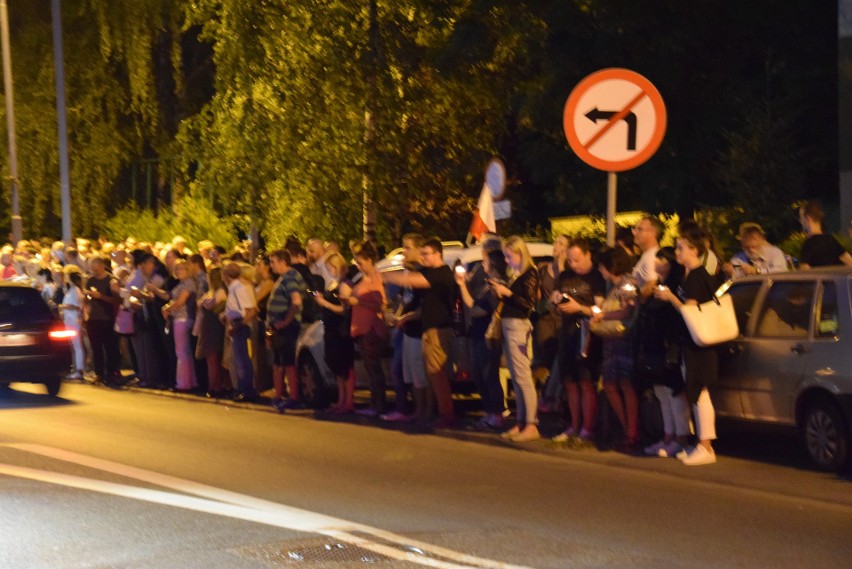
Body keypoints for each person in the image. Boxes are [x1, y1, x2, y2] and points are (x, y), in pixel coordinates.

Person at [654, 223, 721, 466]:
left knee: (700, 393)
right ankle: (699, 444)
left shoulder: (697, 277)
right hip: (691, 343)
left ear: (694, 250)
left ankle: (706, 446)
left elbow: (690, 313)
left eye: (681, 246)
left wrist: (671, 297)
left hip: (699, 344)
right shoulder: (691, 276)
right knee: (695, 394)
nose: (677, 250)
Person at [382, 237, 456, 428]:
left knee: (437, 374)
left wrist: (387, 276)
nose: (423, 257)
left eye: (426, 254)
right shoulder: (431, 272)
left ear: (438, 254)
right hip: (429, 330)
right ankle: (436, 412)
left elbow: (413, 280)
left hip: (438, 330)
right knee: (431, 374)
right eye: (421, 253)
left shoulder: (440, 274)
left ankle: (446, 415)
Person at [637, 247, 691, 458]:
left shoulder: (676, 287)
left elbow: (680, 313)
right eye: (656, 261)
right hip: (653, 345)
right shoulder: (657, 287)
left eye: (663, 261)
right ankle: (668, 435)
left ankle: (681, 437)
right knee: (661, 392)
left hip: (670, 345)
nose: (658, 265)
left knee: (674, 392)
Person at [551, 237, 606, 443]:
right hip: (566, 332)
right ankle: (573, 425)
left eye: (577, 260)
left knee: (586, 381)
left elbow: (600, 309)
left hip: (587, 334)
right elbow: (552, 299)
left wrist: (580, 308)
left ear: (588, 255)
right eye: (571, 260)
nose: (574, 265)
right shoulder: (565, 275)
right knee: (570, 382)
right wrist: (556, 301)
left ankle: (588, 428)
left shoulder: (597, 278)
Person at [491, 236, 540, 442]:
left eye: (509, 256)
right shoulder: (517, 274)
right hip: (509, 324)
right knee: (516, 376)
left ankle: (531, 424)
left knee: (523, 377)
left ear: (520, 254)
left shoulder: (530, 273)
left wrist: (507, 293)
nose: (507, 260)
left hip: (519, 326)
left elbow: (528, 303)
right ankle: (521, 422)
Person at [593, 248, 640, 452]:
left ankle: (632, 431)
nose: (600, 270)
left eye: (602, 266)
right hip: (611, 342)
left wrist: (603, 316)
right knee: (611, 385)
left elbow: (627, 310)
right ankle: (627, 427)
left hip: (623, 340)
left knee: (625, 385)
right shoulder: (613, 285)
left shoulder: (628, 283)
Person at [457, 248, 507, 430]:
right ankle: (489, 413)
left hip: (488, 336)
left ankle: (497, 414)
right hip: (477, 334)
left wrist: (463, 286)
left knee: (489, 375)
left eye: (485, 261)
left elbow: (477, 309)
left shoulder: (497, 286)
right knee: (479, 375)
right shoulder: (486, 284)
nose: (482, 264)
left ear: (493, 264)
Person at [382, 233, 426, 423]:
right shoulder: (407, 271)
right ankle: (410, 408)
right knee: (401, 370)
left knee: (414, 372)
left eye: (408, 247)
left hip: (417, 328)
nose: (404, 252)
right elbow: (403, 300)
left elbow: (422, 304)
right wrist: (395, 315)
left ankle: (418, 410)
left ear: (418, 249)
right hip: (404, 328)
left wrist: (406, 317)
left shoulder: (422, 273)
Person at [346, 241, 389, 417]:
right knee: (370, 368)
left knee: (374, 368)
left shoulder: (376, 278)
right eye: (357, 262)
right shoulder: (364, 278)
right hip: (362, 330)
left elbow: (381, 304)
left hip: (371, 330)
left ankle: (379, 405)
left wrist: (359, 302)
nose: (359, 266)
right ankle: (375, 403)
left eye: (361, 262)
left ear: (370, 260)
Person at [313, 251, 356, 413]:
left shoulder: (344, 284)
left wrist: (324, 303)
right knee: (336, 365)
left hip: (341, 330)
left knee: (345, 366)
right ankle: (341, 399)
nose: (329, 269)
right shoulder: (333, 283)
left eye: (330, 266)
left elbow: (343, 309)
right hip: (331, 328)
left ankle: (348, 401)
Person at [266, 249, 306, 411]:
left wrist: (285, 321)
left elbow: (296, 302)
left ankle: (294, 397)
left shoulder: (290, 277)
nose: (271, 266)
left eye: (273, 262)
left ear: (283, 261)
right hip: (279, 326)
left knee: (288, 362)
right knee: (279, 361)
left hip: (288, 327)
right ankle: (280, 395)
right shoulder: (284, 277)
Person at [535, 234, 568, 413]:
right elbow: (537, 299)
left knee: (561, 360)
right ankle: (548, 398)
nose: (556, 245)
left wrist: (562, 266)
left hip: (563, 321)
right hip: (547, 320)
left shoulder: (569, 269)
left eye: (561, 243)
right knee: (547, 361)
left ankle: (556, 399)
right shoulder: (543, 269)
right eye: (555, 242)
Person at [222, 262, 258, 402]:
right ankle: (243, 388)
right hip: (235, 324)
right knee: (238, 360)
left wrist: (238, 325)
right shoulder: (233, 289)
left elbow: (251, 310)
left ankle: (247, 390)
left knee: (242, 360)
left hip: (240, 326)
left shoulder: (238, 289)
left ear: (226, 276)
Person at [84, 255, 122, 387]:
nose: (93, 270)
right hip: (93, 318)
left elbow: (116, 300)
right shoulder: (90, 281)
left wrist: (100, 296)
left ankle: (112, 373)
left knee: (110, 346)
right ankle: (99, 373)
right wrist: (86, 309)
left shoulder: (111, 281)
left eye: (95, 267)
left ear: (101, 266)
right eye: (91, 268)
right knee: (96, 348)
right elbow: (87, 299)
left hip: (107, 317)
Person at [161, 260, 199, 392]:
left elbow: (180, 302)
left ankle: (183, 383)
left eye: (182, 268)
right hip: (180, 318)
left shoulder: (188, 284)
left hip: (183, 318)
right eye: (177, 269)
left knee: (182, 352)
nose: (179, 271)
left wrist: (167, 309)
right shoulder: (182, 284)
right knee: (185, 352)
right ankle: (190, 381)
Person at [195, 267, 228, 398]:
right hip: (208, 326)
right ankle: (213, 385)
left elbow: (208, 305)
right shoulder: (212, 291)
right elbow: (200, 302)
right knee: (210, 359)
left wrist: (203, 301)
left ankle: (216, 387)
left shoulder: (220, 292)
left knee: (214, 358)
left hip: (214, 327)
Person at [799, 201, 852, 269]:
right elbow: (849, 261)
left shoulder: (808, 244)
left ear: (808, 218)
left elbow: (804, 272)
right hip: (834, 279)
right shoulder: (831, 240)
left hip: (819, 279)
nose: (800, 221)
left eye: (801, 218)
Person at [723, 222, 789, 277]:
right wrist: (730, 273)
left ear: (762, 241)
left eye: (754, 247)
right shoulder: (738, 259)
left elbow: (781, 272)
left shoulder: (775, 253)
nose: (751, 250)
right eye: (747, 247)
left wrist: (757, 271)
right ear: (742, 244)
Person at [60, 266, 86, 380]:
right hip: (69, 320)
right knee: (74, 346)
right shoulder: (71, 290)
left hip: (73, 320)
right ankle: (76, 368)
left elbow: (76, 306)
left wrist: (63, 306)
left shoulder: (75, 290)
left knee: (77, 345)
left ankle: (79, 370)